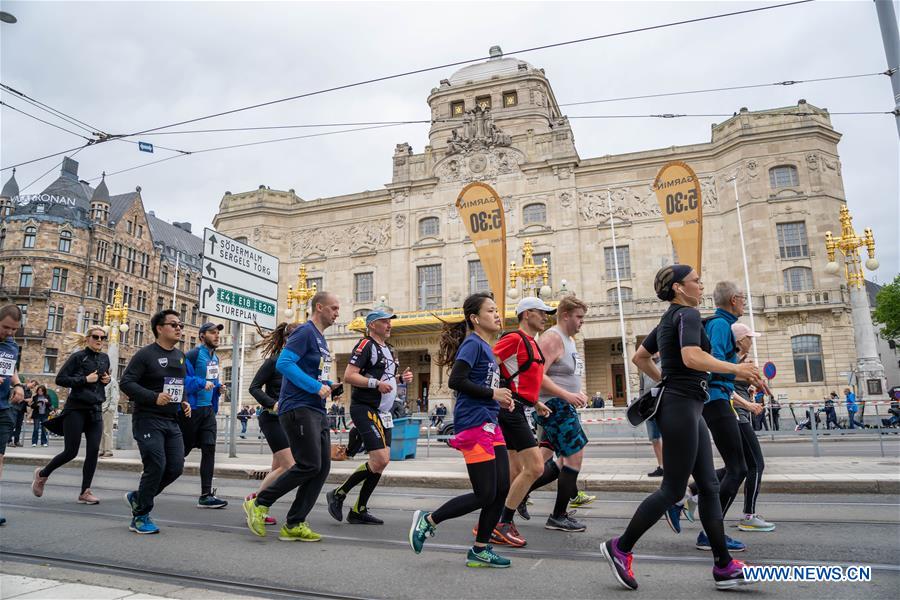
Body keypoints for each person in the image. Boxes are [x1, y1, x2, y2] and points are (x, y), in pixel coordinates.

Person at [601, 265, 759, 591]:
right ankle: (620, 547)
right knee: (673, 490)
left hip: (689, 406)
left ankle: (724, 566)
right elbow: (691, 357)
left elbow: (640, 357)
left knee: (709, 487)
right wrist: (736, 370)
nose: (700, 285)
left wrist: (668, 381)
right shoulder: (686, 314)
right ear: (678, 287)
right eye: (695, 281)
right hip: (682, 407)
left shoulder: (668, 319)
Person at [409, 292, 514, 568]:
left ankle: (480, 549)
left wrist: (502, 399)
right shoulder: (472, 344)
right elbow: (456, 380)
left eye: (496, 310)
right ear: (475, 318)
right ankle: (429, 520)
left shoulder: (487, 348)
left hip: (491, 422)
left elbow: (484, 387)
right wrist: (493, 393)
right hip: (475, 424)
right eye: (490, 311)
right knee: (485, 493)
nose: (497, 314)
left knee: (502, 488)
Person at [244, 291, 341, 542]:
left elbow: (312, 372)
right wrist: (314, 386)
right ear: (319, 307)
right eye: (333, 308)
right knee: (308, 464)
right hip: (298, 407)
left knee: (321, 468)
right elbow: (284, 363)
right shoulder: (305, 332)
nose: (337, 313)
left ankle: (295, 523)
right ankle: (259, 503)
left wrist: (327, 385)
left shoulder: (320, 339)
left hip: (316, 408)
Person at [327, 310, 413, 525]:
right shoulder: (366, 345)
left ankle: (359, 509)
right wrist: (375, 384)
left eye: (390, 322)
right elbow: (349, 376)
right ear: (372, 325)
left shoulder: (388, 349)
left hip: (384, 413)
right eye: (384, 322)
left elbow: (386, 378)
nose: (389, 325)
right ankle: (338, 493)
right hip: (365, 408)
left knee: (381, 463)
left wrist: (401, 379)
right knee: (380, 459)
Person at [688, 281, 754, 552]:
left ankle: (693, 494)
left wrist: (743, 372)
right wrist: (738, 370)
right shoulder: (720, 325)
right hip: (716, 400)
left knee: (737, 466)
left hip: (719, 398)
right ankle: (710, 533)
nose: (745, 303)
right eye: (743, 298)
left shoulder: (722, 324)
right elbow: (713, 361)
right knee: (738, 468)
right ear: (734, 299)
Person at [120, 309, 195, 534]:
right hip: (147, 419)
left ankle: (139, 497)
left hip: (171, 420)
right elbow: (126, 383)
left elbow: (178, 383)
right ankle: (140, 516)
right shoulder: (145, 355)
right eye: (173, 324)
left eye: (180, 325)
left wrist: (184, 400)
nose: (179, 328)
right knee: (156, 466)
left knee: (175, 468)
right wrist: (154, 397)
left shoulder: (180, 356)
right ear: (159, 328)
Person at [522, 295, 591, 533]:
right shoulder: (552, 338)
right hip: (554, 406)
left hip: (562, 404)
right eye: (579, 317)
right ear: (565, 316)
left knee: (556, 462)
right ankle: (558, 516)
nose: (582, 321)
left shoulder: (568, 339)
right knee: (573, 458)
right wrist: (567, 395)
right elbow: (537, 376)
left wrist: (577, 392)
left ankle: (520, 493)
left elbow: (565, 374)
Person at [490, 297, 554, 546]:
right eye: (541, 312)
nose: (545, 317)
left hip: (520, 408)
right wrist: (493, 394)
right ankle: (503, 523)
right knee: (536, 467)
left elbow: (522, 379)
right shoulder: (515, 339)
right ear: (527, 314)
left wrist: (535, 402)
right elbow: (487, 366)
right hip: (510, 410)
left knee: (515, 471)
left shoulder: (532, 343)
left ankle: (493, 519)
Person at [31, 326, 111, 504]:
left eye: (103, 337)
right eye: (96, 337)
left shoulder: (105, 359)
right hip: (76, 409)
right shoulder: (78, 357)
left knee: (93, 451)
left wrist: (107, 380)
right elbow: (60, 379)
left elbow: (99, 383)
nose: (99, 340)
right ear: (88, 338)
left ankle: (85, 492)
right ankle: (42, 475)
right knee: (70, 452)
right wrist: (84, 379)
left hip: (95, 409)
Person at [247, 322, 299, 528]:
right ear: (286, 340)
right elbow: (254, 387)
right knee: (289, 466)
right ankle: (256, 503)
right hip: (272, 418)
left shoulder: (299, 363)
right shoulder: (274, 361)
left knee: (277, 469)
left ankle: (260, 507)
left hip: (289, 420)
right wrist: (272, 403)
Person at [728, 324, 775, 532]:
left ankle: (692, 493)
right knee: (756, 464)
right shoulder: (731, 360)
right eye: (749, 337)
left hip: (739, 414)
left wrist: (756, 381)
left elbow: (744, 379)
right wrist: (748, 404)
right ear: (740, 340)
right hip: (737, 415)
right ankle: (748, 515)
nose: (752, 341)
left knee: (739, 467)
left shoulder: (739, 360)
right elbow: (725, 387)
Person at [181, 322, 228, 508]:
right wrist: (201, 383)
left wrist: (218, 388)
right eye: (212, 333)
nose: (217, 336)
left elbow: (212, 380)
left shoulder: (214, 357)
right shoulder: (193, 355)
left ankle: (206, 495)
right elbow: (182, 379)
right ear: (202, 336)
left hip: (208, 410)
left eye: (217, 333)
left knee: (209, 450)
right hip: (191, 411)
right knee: (180, 452)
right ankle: (153, 481)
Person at [0, 305, 25, 526]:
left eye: (14, 329)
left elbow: (10, 369)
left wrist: (18, 385)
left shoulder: (11, 345)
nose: (9, 332)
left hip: (3, 407)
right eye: (5, 327)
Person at [640, 354, 664, 478]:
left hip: (663, 404)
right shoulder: (644, 367)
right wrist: (641, 405)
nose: (653, 352)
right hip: (649, 407)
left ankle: (672, 465)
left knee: (668, 437)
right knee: (654, 438)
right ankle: (661, 466)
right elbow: (641, 389)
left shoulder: (665, 363)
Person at [100, 368, 119, 457]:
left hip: (107, 409)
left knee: (107, 430)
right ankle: (102, 449)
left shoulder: (113, 382)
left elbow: (114, 396)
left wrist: (111, 408)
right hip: (101, 408)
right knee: (101, 430)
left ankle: (108, 450)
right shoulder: (102, 381)